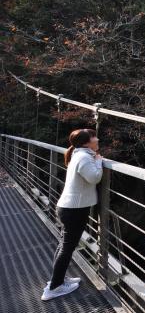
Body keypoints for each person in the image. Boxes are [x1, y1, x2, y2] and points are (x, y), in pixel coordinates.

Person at [41, 128, 104, 301]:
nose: (97, 139)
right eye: (94, 137)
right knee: (67, 248)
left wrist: (95, 158)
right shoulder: (84, 157)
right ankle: (54, 288)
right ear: (86, 142)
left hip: (69, 209)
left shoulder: (79, 154)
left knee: (64, 245)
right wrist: (99, 161)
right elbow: (94, 177)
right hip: (74, 210)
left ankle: (58, 280)